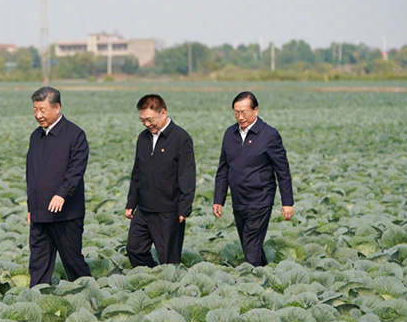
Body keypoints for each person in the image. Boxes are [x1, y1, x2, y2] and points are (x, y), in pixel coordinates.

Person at [213, 91, 294, 267]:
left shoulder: (269, 135)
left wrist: (287, 203)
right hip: (238, 199)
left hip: (260, 199)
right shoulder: (230, 134)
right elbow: (223, 168)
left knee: (250, 245)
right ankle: (265, 275)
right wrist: (218, 199)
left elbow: (282, 170)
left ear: (255, 110)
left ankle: (251, 280)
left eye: (244, 112)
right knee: (250, 245)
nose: (240, 117)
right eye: (236, 112)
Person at [26, 86, 92, 286]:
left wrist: (62, 194)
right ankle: (36, 299)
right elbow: (32, 174)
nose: (38, 115)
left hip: (66, 214)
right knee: (38, 262)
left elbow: (76, 171)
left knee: (72, 261)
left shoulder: (75, 135)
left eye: (42, 110)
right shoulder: (35, 136)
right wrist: (31, 206)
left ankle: (89, 295)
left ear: (57, 107)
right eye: (35, 110)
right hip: (39, 213)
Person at [125, 94, 196, 267]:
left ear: (163, 112)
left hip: (169, 210)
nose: (147, 124)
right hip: (144, 208)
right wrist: (131, 202)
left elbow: (187, 176)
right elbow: (137, 172)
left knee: (169, 260)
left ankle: (169, 289)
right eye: (142, 120)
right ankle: (151, 276)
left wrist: (184, 208)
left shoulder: (181, 138)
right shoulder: (143, 138)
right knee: (134, 249)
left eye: (150, 119)